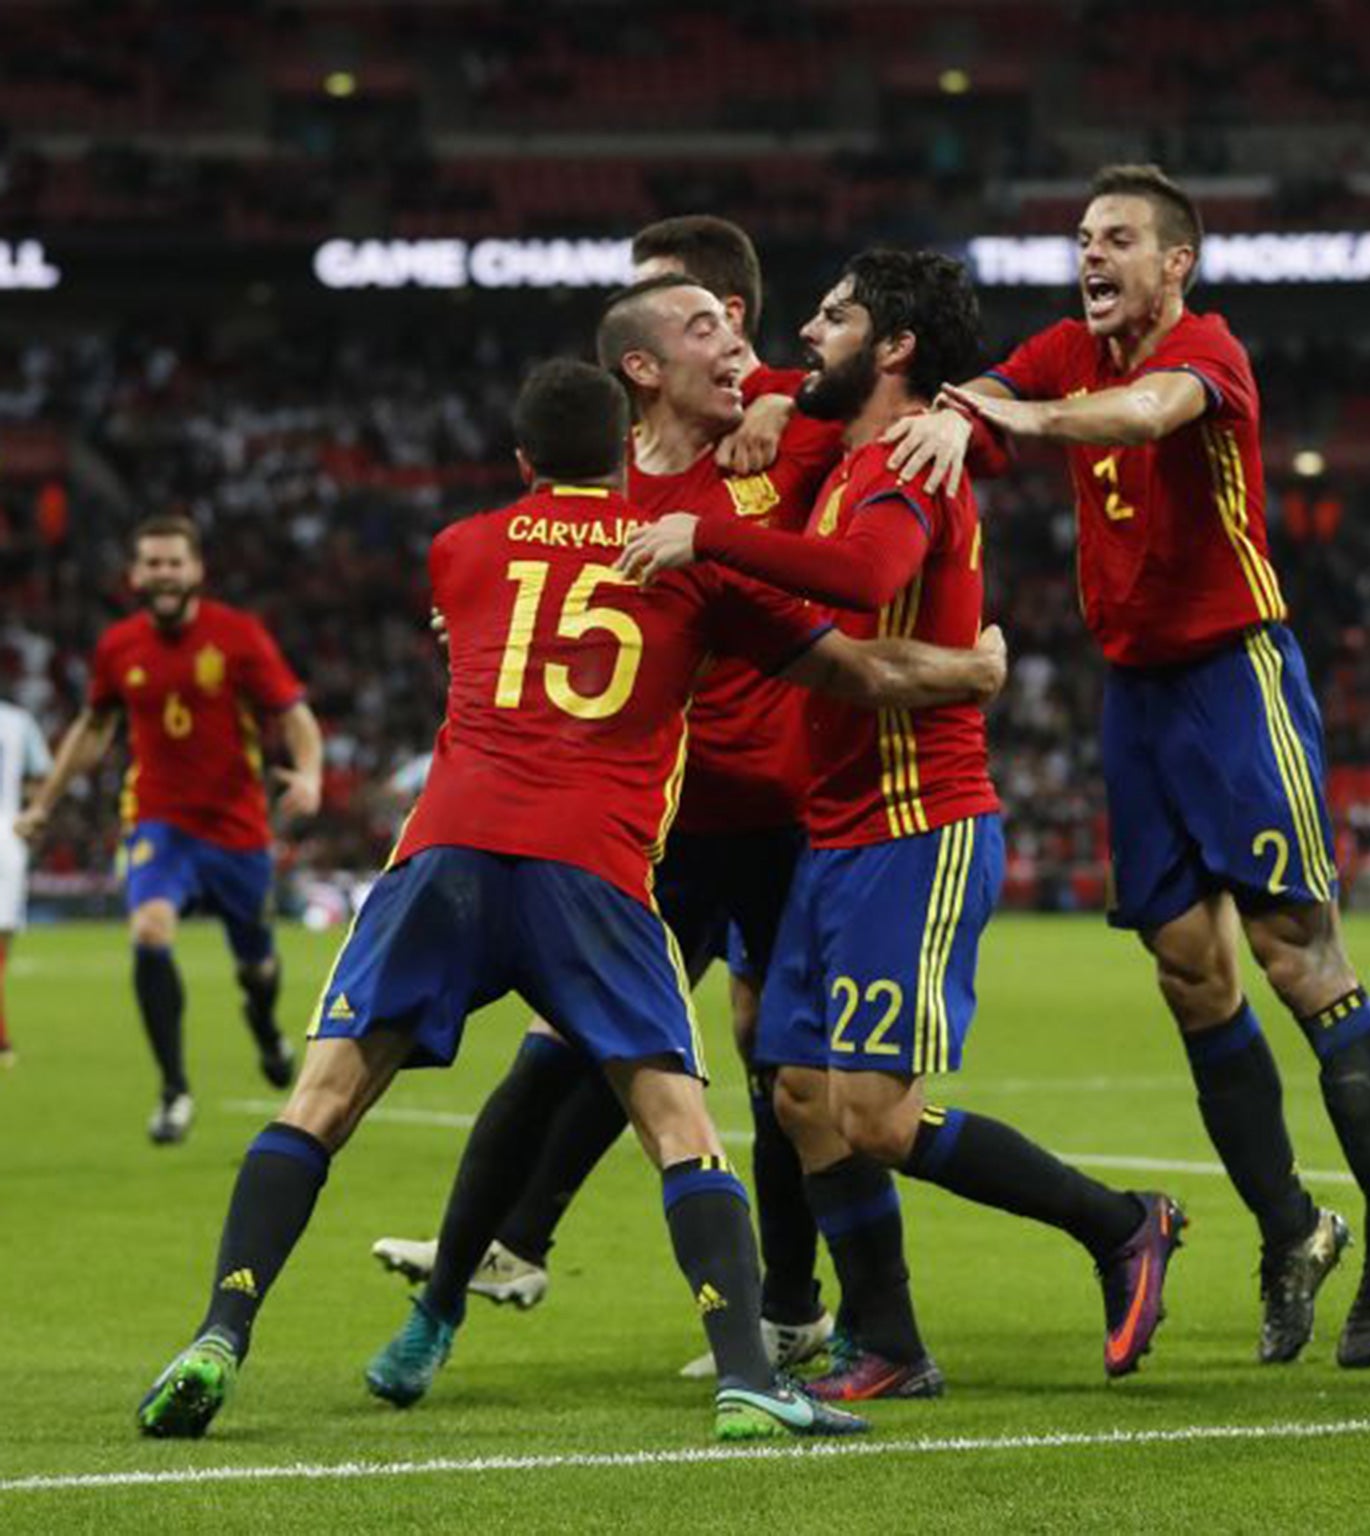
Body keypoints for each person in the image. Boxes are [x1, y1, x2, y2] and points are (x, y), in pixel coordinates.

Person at [136, 358, 1005, 1441]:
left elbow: (485, 628)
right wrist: (971, 672)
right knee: (679, 1124)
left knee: (317, 1104)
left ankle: (221, 1332)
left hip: (444, 855)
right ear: (623, 455)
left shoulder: (458, 550)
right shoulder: (682, 564)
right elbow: (860, 674)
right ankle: (747, 1378)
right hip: (591, 867)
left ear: (517, 461)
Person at [868, 165, 1370, 1369]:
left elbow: (1136, 418)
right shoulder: (1063, 349)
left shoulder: (1208, 350)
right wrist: (933, 406)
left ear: (1174, 261)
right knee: (1190, 974)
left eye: (1117, 238)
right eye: (1082, 237)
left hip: (1235, 681)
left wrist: (1001, 421)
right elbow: (973, 388)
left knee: (1296, 952)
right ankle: (1291, 1227)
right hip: (1133, 692)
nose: (1092, 255)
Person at [622, 248, 1186, 1399]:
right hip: (833, 831)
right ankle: (888, 1344)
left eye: (830, 318)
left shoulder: (902, 469)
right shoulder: (858, 451)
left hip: (912, 823)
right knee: (793, 1093)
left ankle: (1122, 1223)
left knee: (874, 1116)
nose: (803, 336)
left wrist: (707, 539)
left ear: (890, 348)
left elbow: (862, 574)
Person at [370, 221, 842, 1382]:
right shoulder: (609, 469)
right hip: (658, 818)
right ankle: (467, 1281)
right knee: (560, 1045)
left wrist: (799, 405)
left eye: (661, 305)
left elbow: (893, 399)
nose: (626, 332)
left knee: (777, 1065)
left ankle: (796, 1308)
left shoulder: (787, 419)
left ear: (725, 311)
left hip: (783, 804)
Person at [15, 517, 322, 1141]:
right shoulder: (118, 646)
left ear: (196, 570)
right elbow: (94, 728)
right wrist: (44, 801)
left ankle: (265, 1029)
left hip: (237, 829)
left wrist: (311, 775)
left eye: (173, 562)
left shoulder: (237, 637)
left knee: (257, 969)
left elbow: (295, 716)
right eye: (151, 563)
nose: (162, 574)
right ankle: (174, 1091)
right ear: (133, 575)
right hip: (159, 821)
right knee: (150, 930)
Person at [0, 682, 51, 1066]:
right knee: (2, 945)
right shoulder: (18, 722)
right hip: (7, 834)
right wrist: (33, 817)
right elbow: (41, 778)